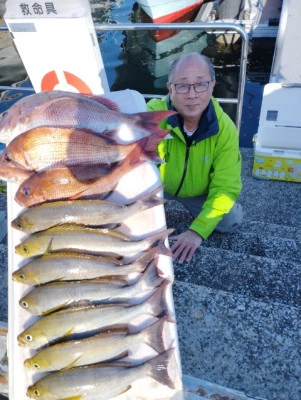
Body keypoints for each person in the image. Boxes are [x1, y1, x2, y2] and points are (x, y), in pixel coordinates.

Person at [147, 52, 243, 264]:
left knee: (230, 221)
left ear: (212, 86)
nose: (192, 94)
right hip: (159, 186)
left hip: (198, 190)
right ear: (170, 88)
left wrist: (197, 232)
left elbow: (226, 187)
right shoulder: (152, 115)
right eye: (182, 86)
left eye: (200, 85)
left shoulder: (225, 128)